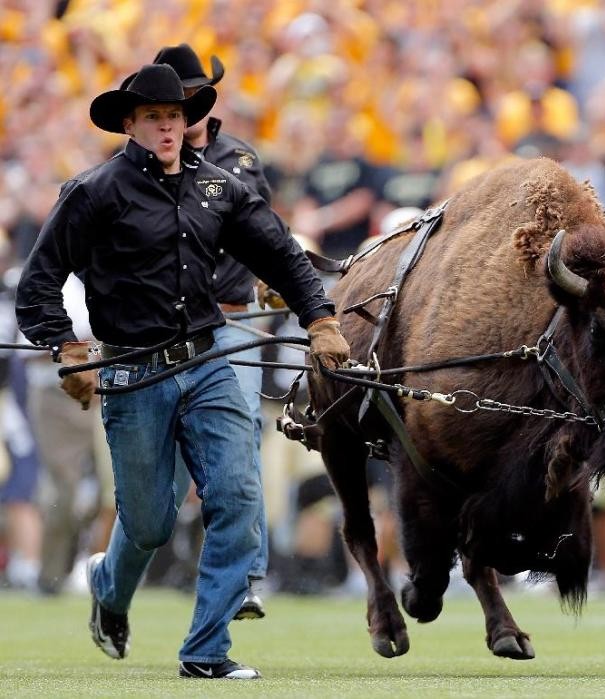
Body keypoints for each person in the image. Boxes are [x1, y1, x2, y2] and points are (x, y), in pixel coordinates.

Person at [15, 63, 350, 680]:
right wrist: (66, 350)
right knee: (149, 521)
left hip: (209, 356)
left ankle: (206, 652)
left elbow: (281, 255)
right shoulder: (94, 193)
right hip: (135, 372)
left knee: (239, 494)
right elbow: (38, 284)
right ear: (130, 124)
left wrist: (320, 319)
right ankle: (110, 591)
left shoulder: (219, 189)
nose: (167, 128)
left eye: (174, 117)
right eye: (153, 118)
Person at [107, 43, 273, 620]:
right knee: (161, 490)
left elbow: (266, 235)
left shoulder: (241, 160)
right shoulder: (123, 175)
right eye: (161, 109)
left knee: (243, 428)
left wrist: (287, 288)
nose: (176, 116)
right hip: (158, 333)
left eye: (182, 105)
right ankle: (112, 583)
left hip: (232, 318)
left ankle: (247, 576)